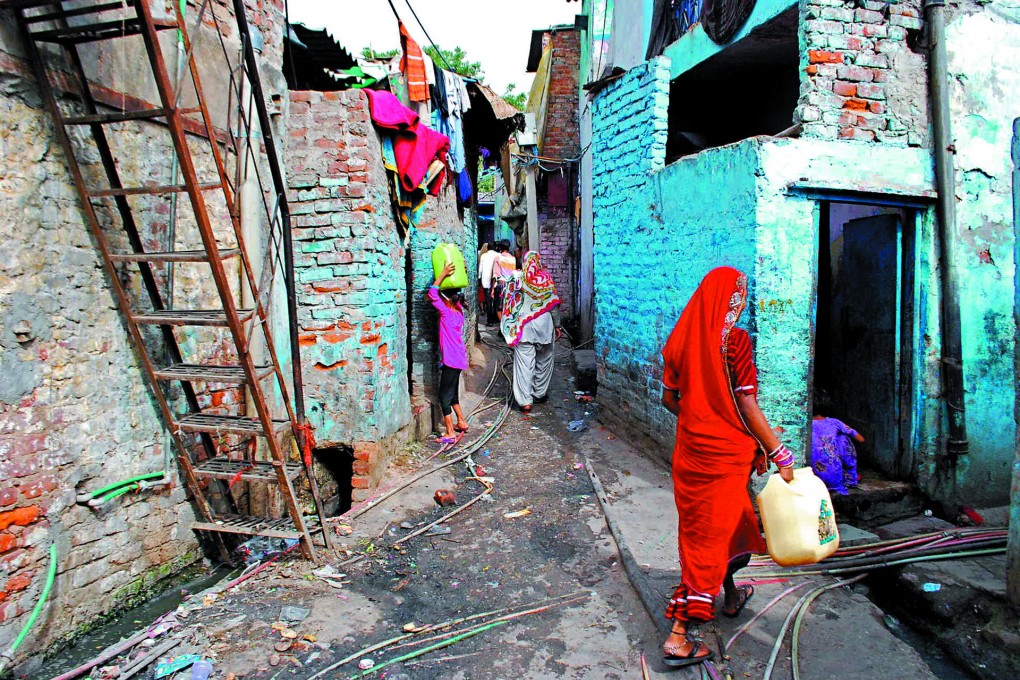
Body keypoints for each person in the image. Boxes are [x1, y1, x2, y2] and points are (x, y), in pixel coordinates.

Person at [659, 266, 794, 668]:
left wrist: (701, 419)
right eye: (738, 295)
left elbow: (669, 400)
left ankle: (731, 594)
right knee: (708, 543)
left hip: (691, 455)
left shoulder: (680, 341)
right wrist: (780, 453)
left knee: (727, 527)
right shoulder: (735, 343)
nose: (741, 302)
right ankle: (679, 635)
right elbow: (747, 404)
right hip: (724, 458)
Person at [500, 251, 561, 413]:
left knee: (524, 364)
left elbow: (508, 301)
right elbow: (553, 305)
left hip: (524, 326)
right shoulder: (546, 280)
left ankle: (525, 401)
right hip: (544, 326)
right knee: (544, 360)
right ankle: (539, 393)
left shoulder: (517, 279)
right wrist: (557, 326)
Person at [427, 262, 470, 442]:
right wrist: (461, 273)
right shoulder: (459, 312)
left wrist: (443, 274)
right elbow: (454, 295)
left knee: (443, 397)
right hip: (459, 359)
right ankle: (462, 421)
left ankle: (450, 431)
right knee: (452, 394)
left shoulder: (445, 312)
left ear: (445, 300)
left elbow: (432, 293)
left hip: (451, 360)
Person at [810, 402, 864, 495]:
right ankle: (851, 477)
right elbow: (861, 439)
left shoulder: (804, 424)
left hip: (811, 479)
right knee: (843, 438)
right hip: (833, 479)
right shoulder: (834, 422)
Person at [490, 240, 517, 320]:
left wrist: (492, 289)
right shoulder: (513, 259)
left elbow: (496, 275)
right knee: (509, 307)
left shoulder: (498, 258)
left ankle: (502, 325)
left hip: (501, 284)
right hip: (511, 285)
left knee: (499, 307)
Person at [478, 241, 499, 325]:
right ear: (495, 247)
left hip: (486, 280)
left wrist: (479, 277)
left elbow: (480, 269)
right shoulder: (498, 255)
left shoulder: (484, 256)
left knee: (488, 300)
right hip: (496, 280)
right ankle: (495, 318)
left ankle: (489, 320)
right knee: (496, 300)